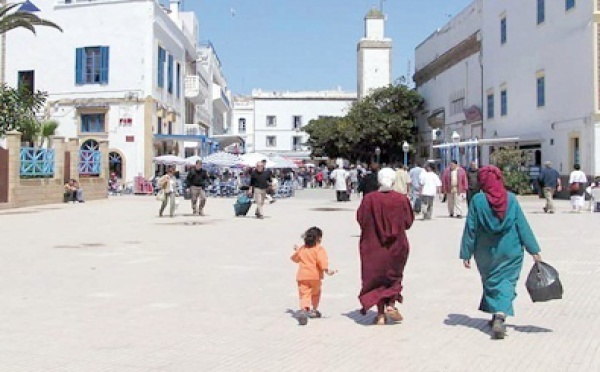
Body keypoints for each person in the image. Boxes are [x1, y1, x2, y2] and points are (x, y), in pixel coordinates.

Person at [460, 166, 542, 340]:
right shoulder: (511, 199)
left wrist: (466, 252)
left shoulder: (477, 200)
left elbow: (471, 228)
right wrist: (534, 250)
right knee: (507, 282)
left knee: (491, 281)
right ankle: (500, 315)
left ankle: (496, 313)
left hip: (485, 252)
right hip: (510, 249)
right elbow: (522, 225)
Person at [357, 168, 414, 325]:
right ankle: (391, 305)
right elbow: (408, 222)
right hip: (397, 246)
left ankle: (380, 314)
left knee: (376, 279)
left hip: (373, 246)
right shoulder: (401, 199)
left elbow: (361, 220)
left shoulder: (369, 199)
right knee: (393, 276)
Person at [290, 227, 337, 326]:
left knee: (304, 294)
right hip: (315, 276)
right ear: (319, 238)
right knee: (315, 293)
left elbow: (295, 259)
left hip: (302, 276)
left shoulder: (303, 249)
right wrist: (326, 270)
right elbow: (322, 261)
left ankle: (304, 309)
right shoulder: (319, 249)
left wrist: (297, 251)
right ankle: (314, 310)